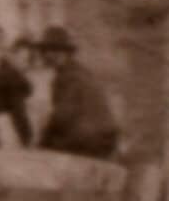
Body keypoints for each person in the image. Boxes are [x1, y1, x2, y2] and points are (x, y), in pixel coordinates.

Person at [34, 26, 123, 159]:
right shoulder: (81, 71)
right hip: (106, 140)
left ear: (58, 53)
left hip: (88, 142)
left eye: (46, 51)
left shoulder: (66, 77)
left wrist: (40, 146)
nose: (43, 55)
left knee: (44, 157)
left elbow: (62, 117)